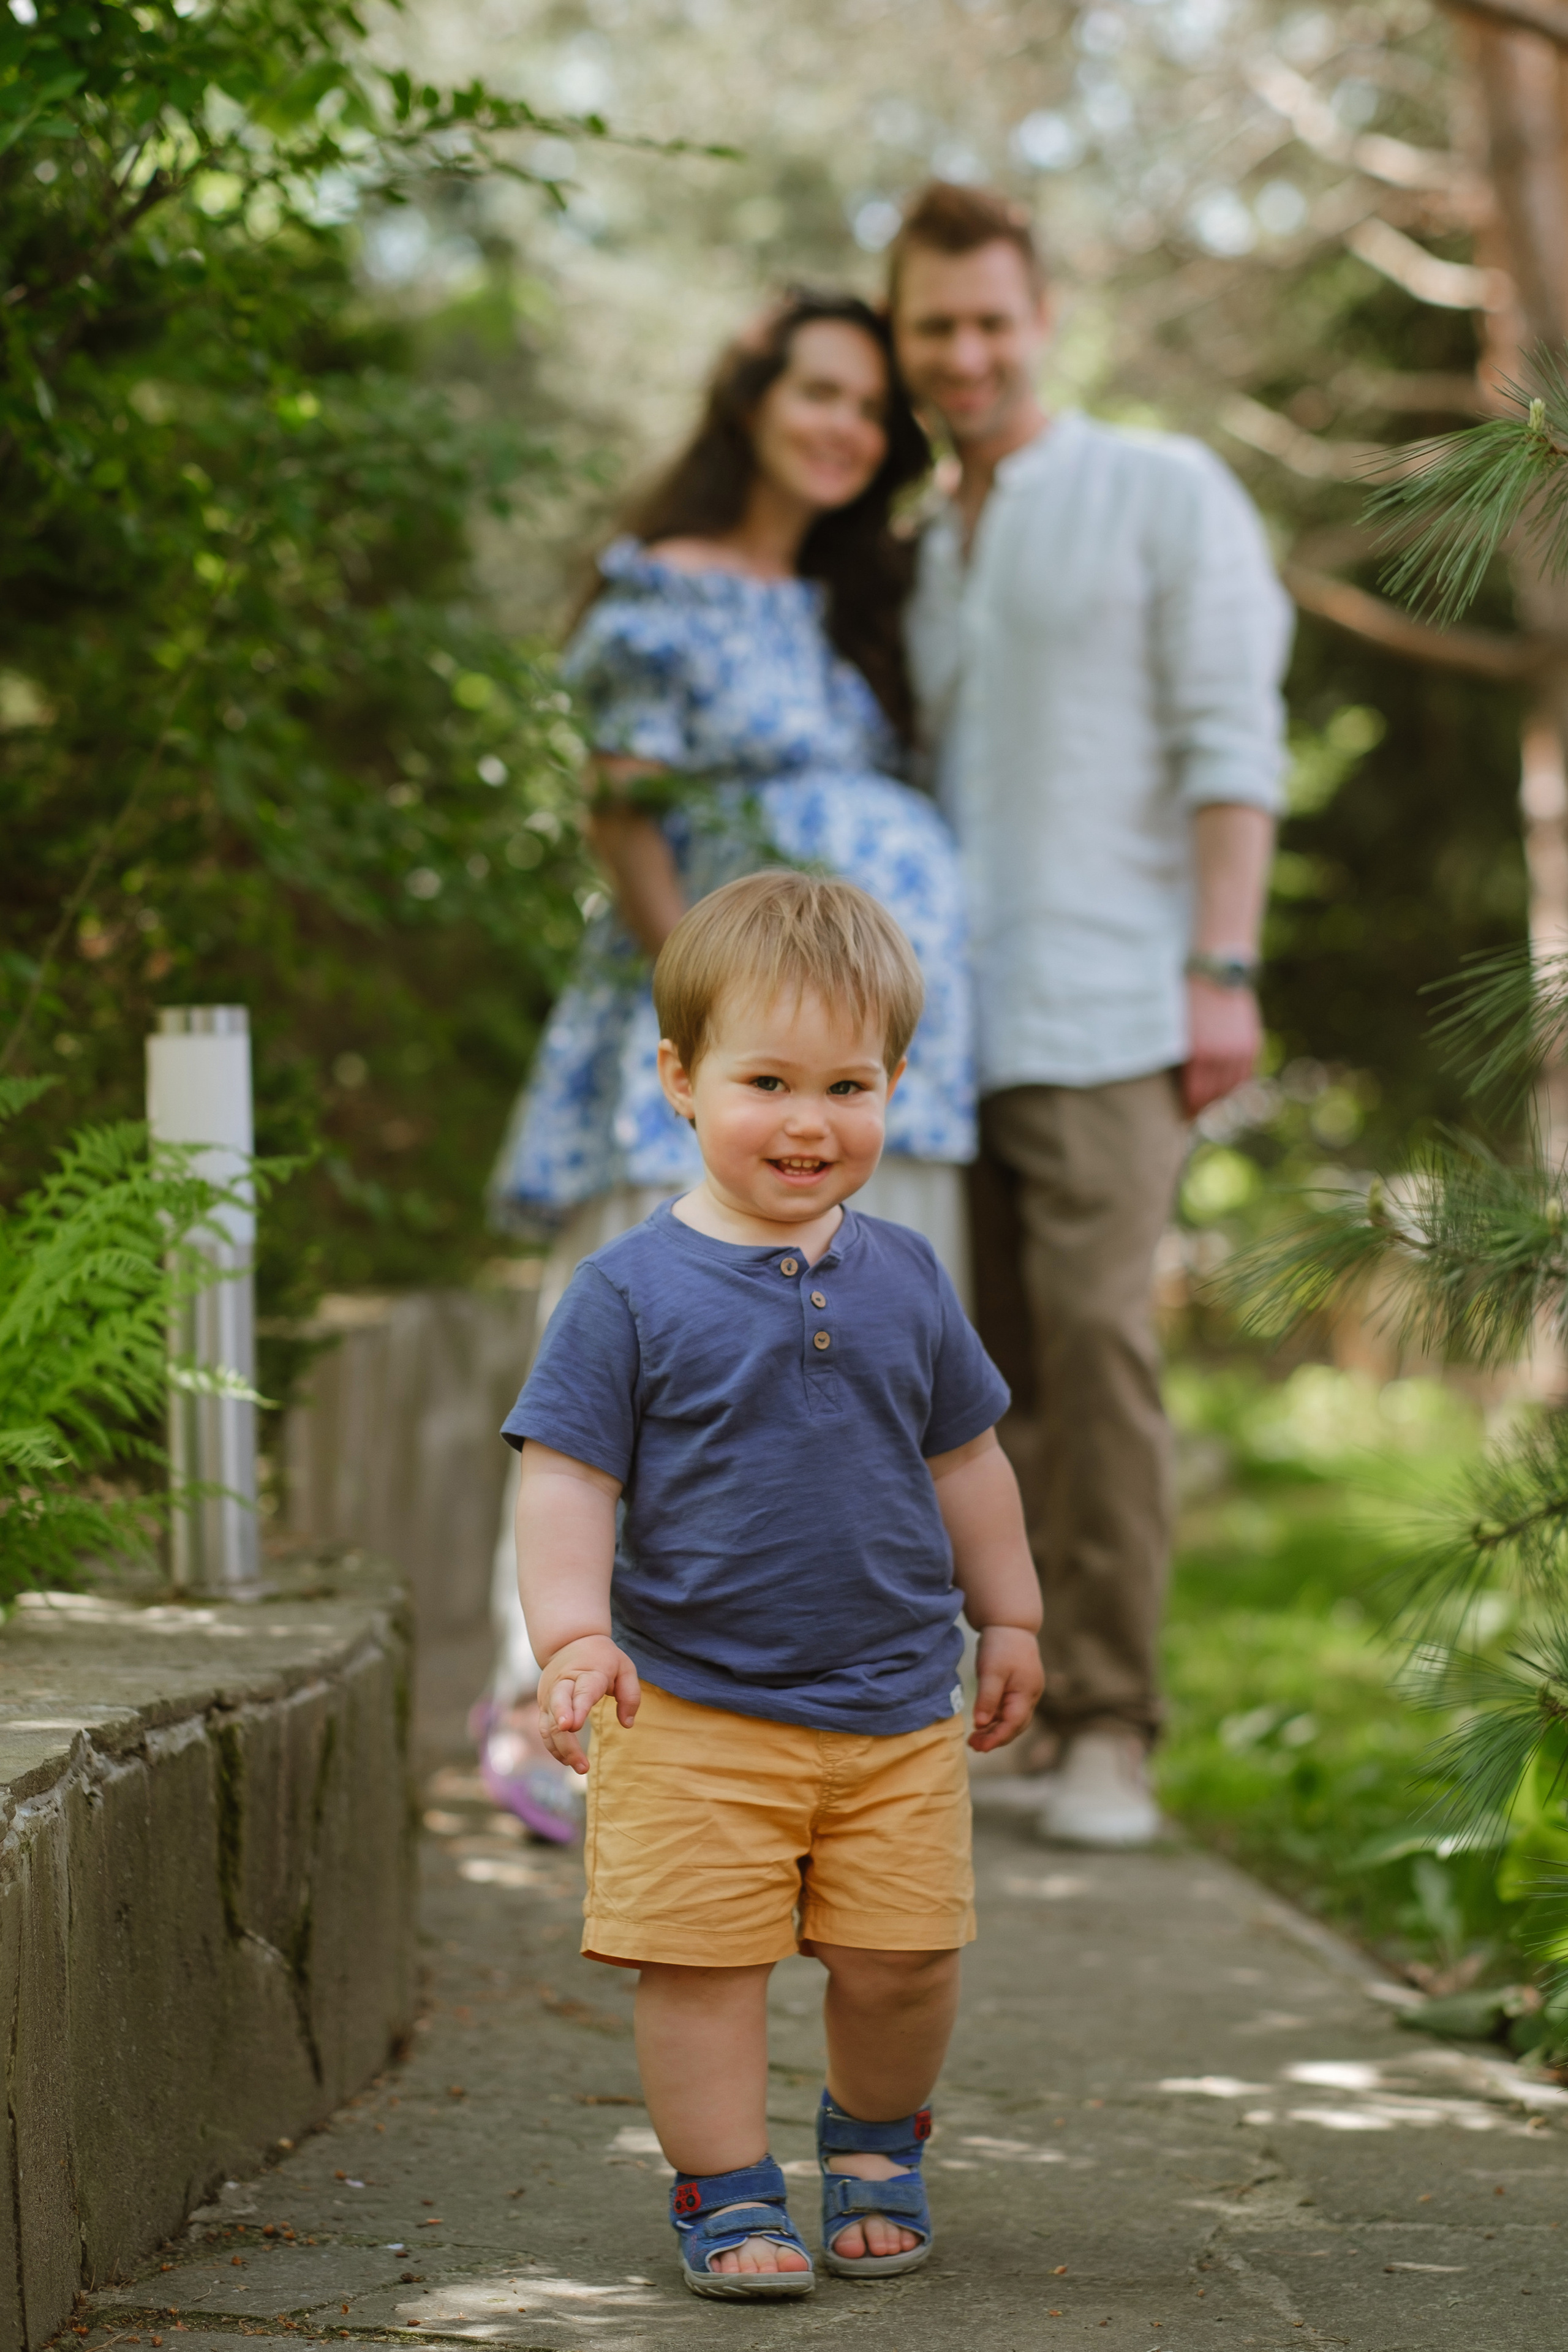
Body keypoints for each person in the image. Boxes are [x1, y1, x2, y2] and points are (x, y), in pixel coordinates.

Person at [476, 290, 978, 1836]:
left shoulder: (846, 603)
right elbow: (622, 816)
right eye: (817, 391)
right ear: (750, 397)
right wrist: (720, 1022)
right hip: (730, 1044)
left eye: (869, 410)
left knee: (848, 1386)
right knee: (639, 1370)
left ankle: (830, 1728)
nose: (843, 426)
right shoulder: (662, 593)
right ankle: (543, 1704)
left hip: (871, 1062)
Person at [502, 870, 1042, 2296]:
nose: (808, 1122)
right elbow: (565, 1477)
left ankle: (873, 2142)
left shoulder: (909, 1277)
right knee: (700, 1967)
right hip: (688, 1708)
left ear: (896, 1086)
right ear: (678, 1080)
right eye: (766, 1081)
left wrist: (1013, 1616)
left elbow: (967, 1462)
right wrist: (569, 1637)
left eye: (847, 1085)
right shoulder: (627, 1292)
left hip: (891, 1704)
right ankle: (728, 2189)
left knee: (905, 1960)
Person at [892, 183, 1292, 1847]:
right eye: (934, 326)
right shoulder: (920, 548)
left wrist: (1225, 968)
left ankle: (1116, 1724)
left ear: (1043, 317)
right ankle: (1021, 1718)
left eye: (992, 319)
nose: (967, 352)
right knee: (977, 1390)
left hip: (1114, 1004)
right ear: (904, 339)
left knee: (1101, 1348)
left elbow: (1231, 738)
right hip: (940, 1037)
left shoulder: (1158, 488)